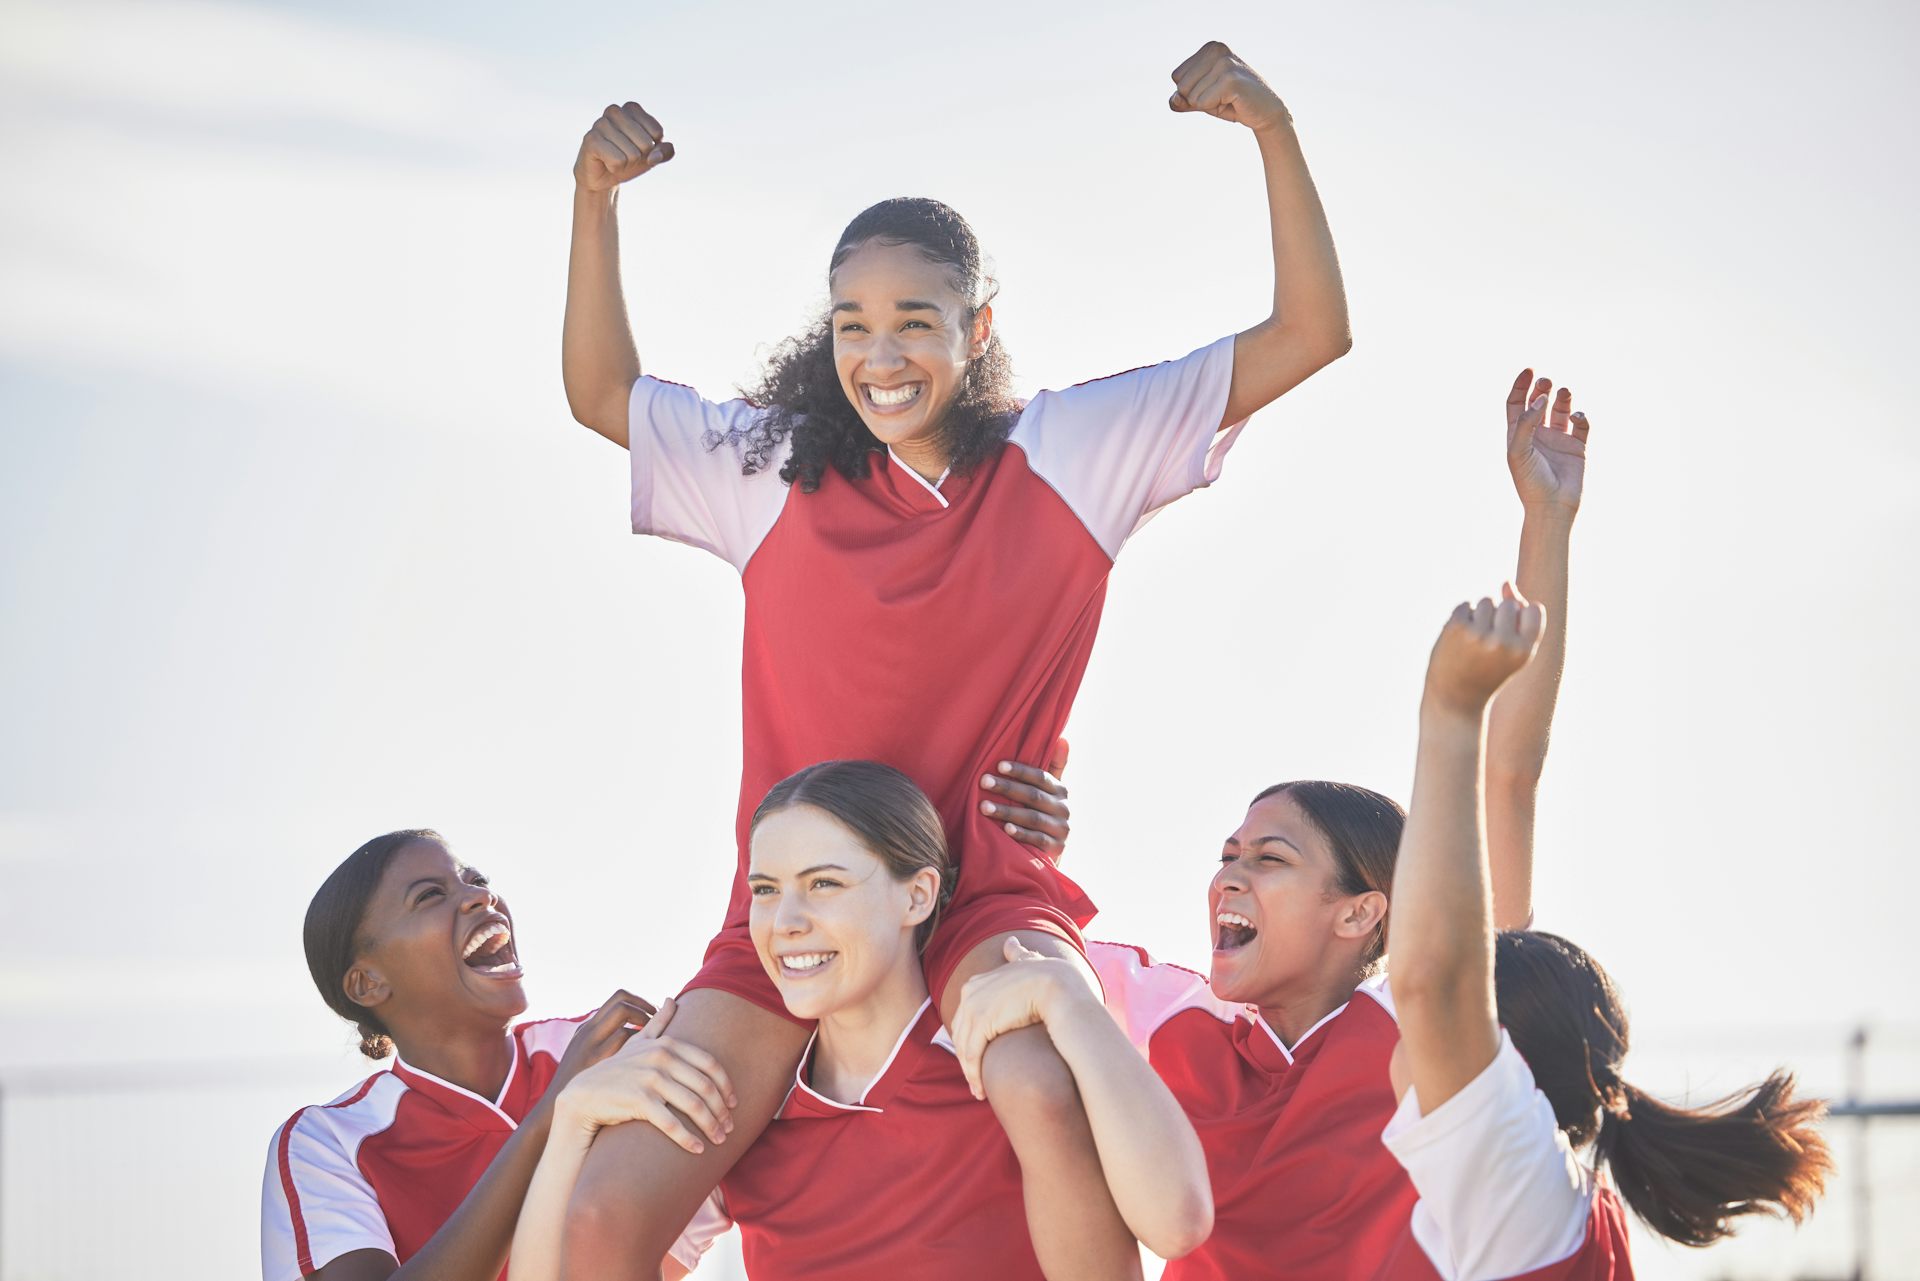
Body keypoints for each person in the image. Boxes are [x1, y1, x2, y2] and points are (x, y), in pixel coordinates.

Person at [558, 38, 1352, 1280]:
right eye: (853, 326)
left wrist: (1273, 132)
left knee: (1038, 1085)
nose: (881, 358)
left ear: (979, 330)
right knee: (606, 1211)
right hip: (799, 914)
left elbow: (1311, 333)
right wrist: (593, 204)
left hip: (984, 894)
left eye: (916, 323)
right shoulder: (768, 468)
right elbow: (599, 391)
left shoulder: (1075, 451)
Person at [956, 373, 1594, 1279]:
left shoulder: (1421, 1025)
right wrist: (1014, 840)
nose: (1229, 876)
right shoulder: (1171, 1017)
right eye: (1228, 856)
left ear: (1363, 912)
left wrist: (1548, 523)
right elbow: (989, 932)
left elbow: (1508, 776)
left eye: (1271, 858)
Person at [509, 761, 1212, 1281]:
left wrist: (1068, 1000)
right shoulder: (743, 1105)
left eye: (825, 883)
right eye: (765, 890)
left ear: (918, 894)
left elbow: (1175, 1222)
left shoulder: (1002, 1048)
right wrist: (572, 1120)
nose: (786, 922)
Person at [260, 829, 675, 1280]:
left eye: (475, 879)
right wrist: (555, 1115)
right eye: (430, 896)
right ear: (369, 983)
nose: (480, 896)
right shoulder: (328, 1142)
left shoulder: (602, 1046)